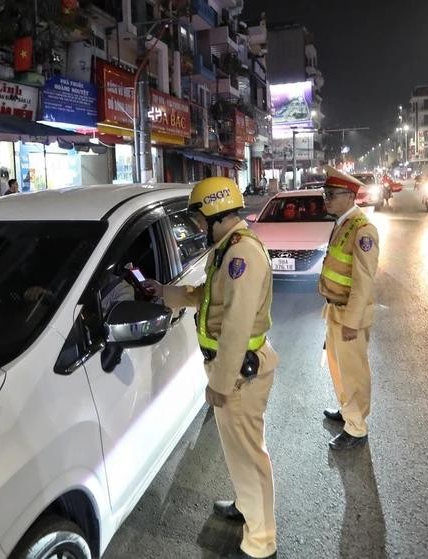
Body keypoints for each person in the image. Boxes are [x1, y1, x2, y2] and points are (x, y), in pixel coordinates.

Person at [143, 177, 278, 559]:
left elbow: (235, 322)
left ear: (217, 214)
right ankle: (246, 506)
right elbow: (208, 297)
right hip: (233, 368)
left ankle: (261, 540)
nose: (198, 227)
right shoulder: (226, 249)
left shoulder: (241, 256)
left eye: (200, 219)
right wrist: (166, 293)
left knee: (249, 454)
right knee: (239, 451)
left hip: (239, 372)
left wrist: (220, 382)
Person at [319, 166, 380, 451]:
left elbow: (363, 280)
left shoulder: (362, 229)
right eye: (325, 193)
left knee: (354, 372)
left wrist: (352, 322)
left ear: (349, 196)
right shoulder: (342, 223)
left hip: (349, 315)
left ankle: (357, 428)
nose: (326, 199)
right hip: (335, 310)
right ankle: (347, 411)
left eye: (331, 194)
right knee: (338, 368)